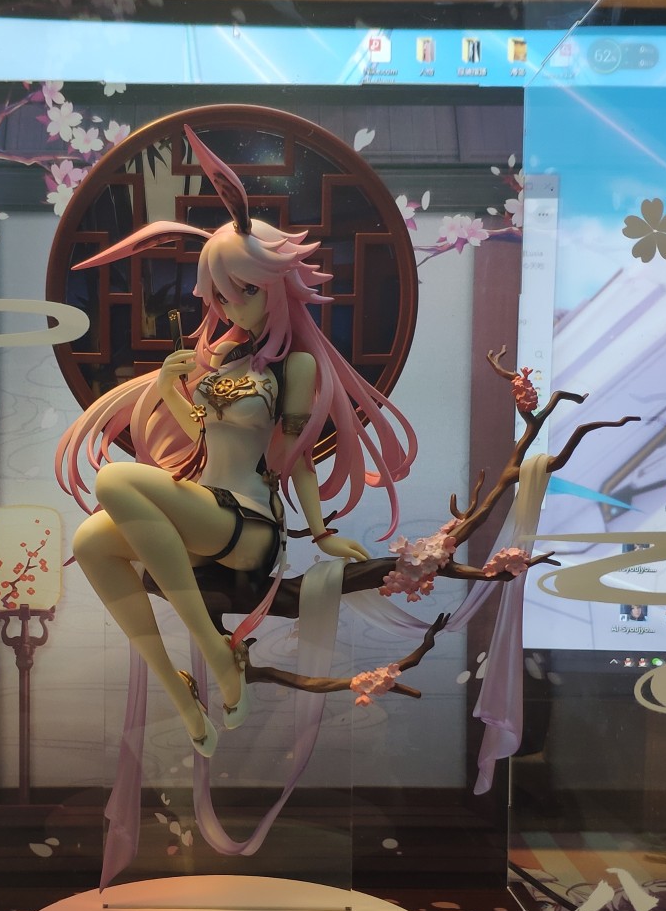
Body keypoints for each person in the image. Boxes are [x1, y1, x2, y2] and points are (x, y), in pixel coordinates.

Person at [55, 125, 416, 757]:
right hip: (204, 512)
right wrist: (167, 389)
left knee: (113, 479)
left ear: (277, 282)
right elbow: (202, 435)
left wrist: (321, 532)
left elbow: (295, 457)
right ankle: (180, 693)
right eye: (221, 295)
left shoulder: (294, 367)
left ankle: (219, 655)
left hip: (248, 525)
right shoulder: (220, 361)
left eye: (244, 290)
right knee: (89, 541)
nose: (231, 305)